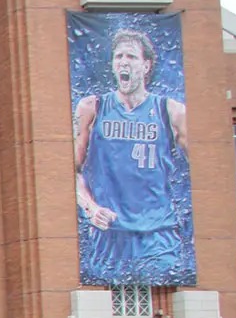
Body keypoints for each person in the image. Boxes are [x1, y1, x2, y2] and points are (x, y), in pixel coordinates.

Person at [73, 27, 192, 285]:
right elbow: (72, 171)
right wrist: (91, 208)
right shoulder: (92, 107)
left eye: (131, 56)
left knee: (172, 291)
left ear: (146, 65)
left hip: (157, 234)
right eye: (118, 57)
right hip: (109, 234)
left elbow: (204, 170)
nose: (123, 62)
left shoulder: (171, 111)